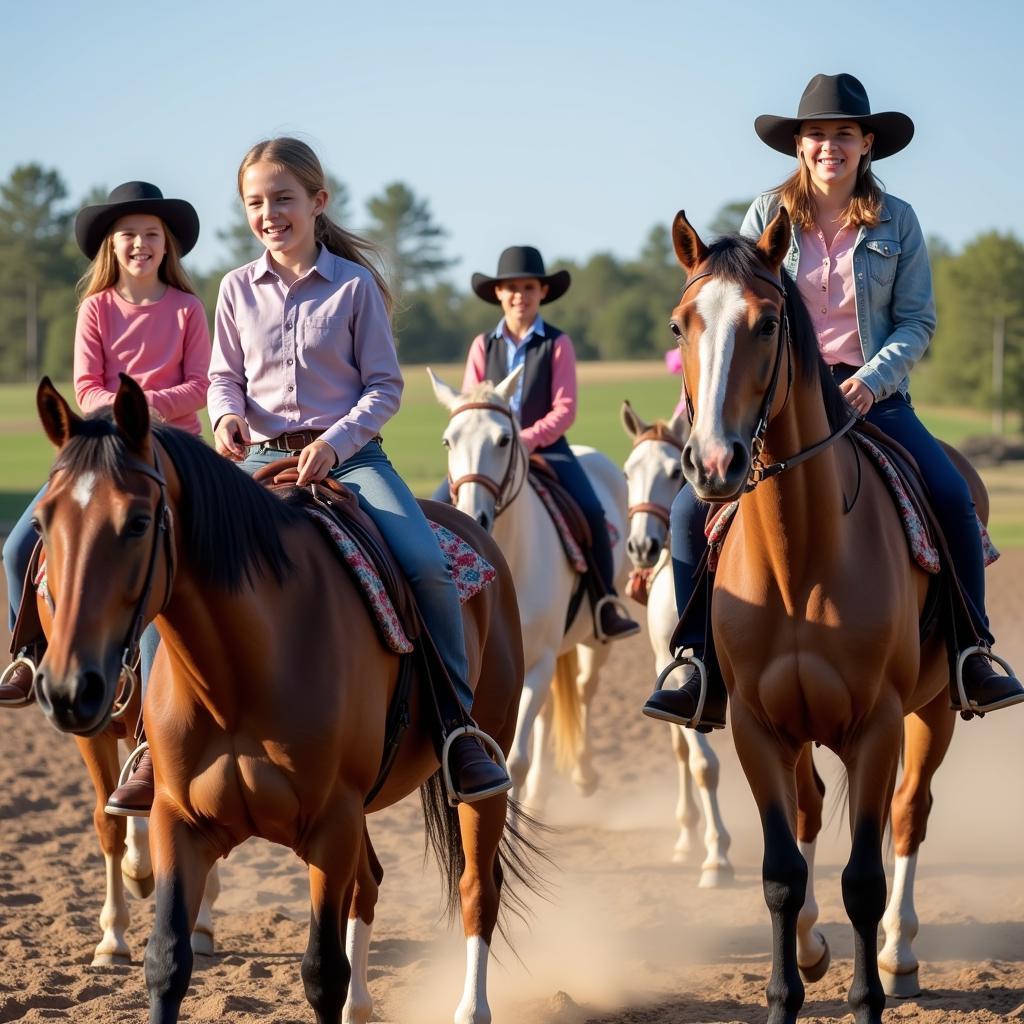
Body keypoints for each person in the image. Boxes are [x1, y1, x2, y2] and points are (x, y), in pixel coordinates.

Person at [643, 72, 1024, 728]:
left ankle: (971, 653)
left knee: (953, 496)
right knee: (684, 514)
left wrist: (872, 379)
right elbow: (733, 309)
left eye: (843, 134)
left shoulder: (897, 221)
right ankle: (696, 661)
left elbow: (916, 321)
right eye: (815, 134)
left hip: (872, 396)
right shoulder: (766, 215)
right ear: (798, 147)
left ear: (866, 143)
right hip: (778, 401)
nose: (829, 146)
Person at [208, 137, 510, 804]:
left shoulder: (355, 287)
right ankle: (154, 739)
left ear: (318, 202)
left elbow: (384, 389)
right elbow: (223, 377)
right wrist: (225, 418)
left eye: (283, 199)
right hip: (257, 457)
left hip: (352, 460)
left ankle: (459, 731)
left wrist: (334, 446)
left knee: (426, 564)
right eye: (255, 203)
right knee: (175, 559)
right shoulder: (234, 289)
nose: (269, 214)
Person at [0, 181, 211, 812]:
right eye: (129, 237)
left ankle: (152, 727)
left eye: (151, 235)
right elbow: (85, 386)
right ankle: (31, 656)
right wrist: (117, 411)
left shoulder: (186, 310)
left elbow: (201, 385)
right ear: (111, 248)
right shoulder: (95, 309)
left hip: (169, 455)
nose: (141, 245)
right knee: (16, 548)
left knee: (158, 579)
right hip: (99, 450)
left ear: (165, 243)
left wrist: (142, 411)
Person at [436, 246, 640, 641]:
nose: (520, 296)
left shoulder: (557, 344)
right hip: (488, 453)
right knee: (437, 506)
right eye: (511, 288)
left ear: (542, 292)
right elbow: (467, 403)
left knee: (590, 509)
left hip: (544, 448)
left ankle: (605, 603)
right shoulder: (483, 345)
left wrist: (525, 441)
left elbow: (565, 408)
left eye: (528, 287)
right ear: (498, 293)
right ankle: (435, 597)